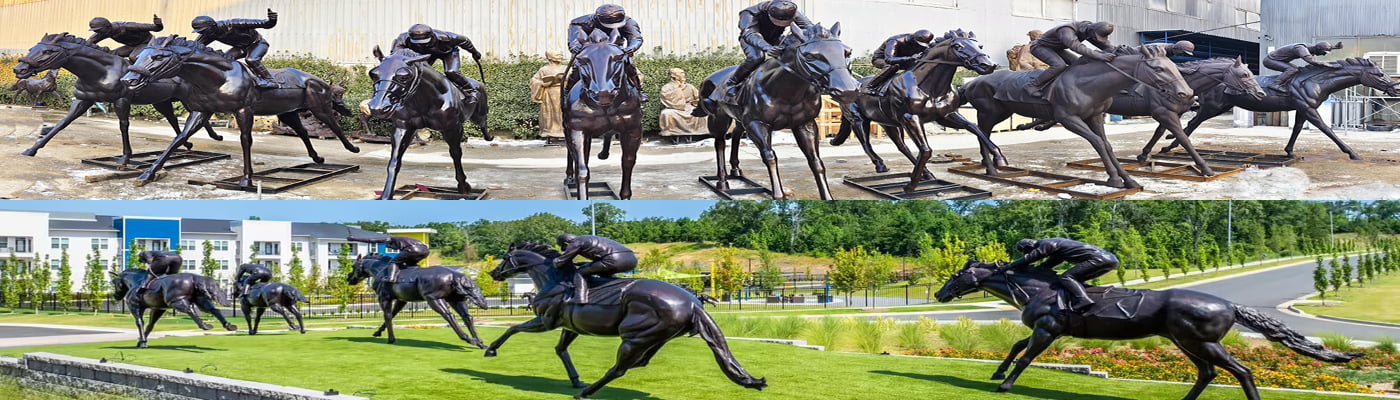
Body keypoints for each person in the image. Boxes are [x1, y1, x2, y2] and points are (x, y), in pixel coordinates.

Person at [997, 238, 1119, 312]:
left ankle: (1083, 300)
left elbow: (1030, 258)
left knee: (1066, 277)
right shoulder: (1058, 247)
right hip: (1110, 260)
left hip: (1100, 259)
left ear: (1029, 246)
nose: (1030, 253)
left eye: (1027, 251)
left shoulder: (1046, 244)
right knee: (1077, 280)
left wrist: (1007, 267)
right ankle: (1085, 296)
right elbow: (1046, 266)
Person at [725, 0, 813, 99]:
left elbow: (809, 28)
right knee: (757, 58)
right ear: (769, 15)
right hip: (751, 38)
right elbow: (750, 34)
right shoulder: (749, 13)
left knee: (792, 52)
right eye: (779, 22)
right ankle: (732, 82)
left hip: (775, 38)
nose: (784, 25)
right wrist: (767, 48)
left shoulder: (791, 10)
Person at [566, 4, 645, 100]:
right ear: (597, 18)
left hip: (614, 51)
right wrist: (575, 47)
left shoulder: (628, 22)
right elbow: (574, 41)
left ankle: (639, 90)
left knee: (629, 65)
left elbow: (636, 38)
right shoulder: (579, 23)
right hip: (590, 52)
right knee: (577, 67)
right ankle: (568, 93)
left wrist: (630, 48)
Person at [1025, 21, 1117, 97]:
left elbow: (1102, 45)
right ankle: (1032, 85)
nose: (1095, 38)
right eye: (1096, 36)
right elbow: (1077, 47)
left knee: (1078, 62)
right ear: (1091, 30)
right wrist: (1099, 56)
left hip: (1055, 48)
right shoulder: (1066, 30)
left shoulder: (1088, 29)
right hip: (1039, 47)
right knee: (1059, 65)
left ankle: (1064, 85)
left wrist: (1116, 51)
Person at [192, 9, 279, 88]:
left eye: (203, 31)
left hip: (257, 43)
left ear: (213, 26)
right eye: (200, 32)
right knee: (222, 60)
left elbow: (266, 24)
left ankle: (270, 80)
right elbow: (195, 47)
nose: (203, 33)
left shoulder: (234, 23)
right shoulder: (209, 34)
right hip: (240, 48)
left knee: (251, 60)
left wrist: (272, 19)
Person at [391, 24, 484, 94]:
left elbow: (465, 41)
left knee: (451, 72)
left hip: (448, 53)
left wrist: (474, 52)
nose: (422, 44)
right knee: (419, 72)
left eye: (424, 42)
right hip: (425, 54)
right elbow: (396, 54)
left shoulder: (447, 37)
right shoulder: (403, 38)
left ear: (431, 36)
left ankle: (470, 90)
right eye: (418, 42)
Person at [553, 233, 637, 304]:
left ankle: (579, 298)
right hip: (631, 259)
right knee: (603, 272)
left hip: (614, 260)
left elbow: (560, 262)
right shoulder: (588, 238)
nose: (565, 249)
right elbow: (603, 254)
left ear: (566, 243)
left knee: (580, 272)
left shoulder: (575, 242)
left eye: (564, 247)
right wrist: (586, 264)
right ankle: (612, 289)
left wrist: (553, 262)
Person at [861, 29, 936, 96]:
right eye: (918, 44)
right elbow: (889, 59)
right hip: (882, 59)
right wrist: (910, 58)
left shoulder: (922, 43)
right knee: (893, 66)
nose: (920, 46)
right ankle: (869, 86)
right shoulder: (895, 40)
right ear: (913, 39)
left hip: (905, 60)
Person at [348, 234, 428, 284]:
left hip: (413, 249)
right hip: (425, 250)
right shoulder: (406, 240)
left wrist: (354, 239)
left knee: (393, 262)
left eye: (391, 247)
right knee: (410, 265)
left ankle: (391, 278)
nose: (393, 249)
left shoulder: (390, 239)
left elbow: (372, 240)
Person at [1264, 42, 1343, 92]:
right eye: (1324, 52)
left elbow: (1320, 52)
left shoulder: (1313, 49)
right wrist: (1330, 65)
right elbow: (1312, 62)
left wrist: (1335, 47)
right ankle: (1275, 84)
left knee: (1297, 70)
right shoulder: (1300, 48)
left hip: (1280, 61)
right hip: (1270, 60)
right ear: (1318, 49)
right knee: (1292, 69)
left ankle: (1286, 83)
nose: (1324, 54)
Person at [87, 15, 163, 61]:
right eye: (96, 31)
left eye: (99, 30)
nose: (98, 32)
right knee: (110, 54)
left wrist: (158, 24)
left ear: (107, 26)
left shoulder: (128, 26)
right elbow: (89, 42)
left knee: (133, 57)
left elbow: (156, 28)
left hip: (147, 43)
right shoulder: (105, 31)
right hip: (131, 46)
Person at [530, 50, 568, 137]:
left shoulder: (566, 68)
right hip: (549, 93)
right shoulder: (543, 69)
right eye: (557, 55)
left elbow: (574, 78)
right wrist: (542, 84)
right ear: (550, 57)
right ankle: (550, 131)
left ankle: (564, 130)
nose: (560, 57)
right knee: (549, 112)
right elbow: (534, 81)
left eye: (560, 55)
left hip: (564, 92)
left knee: (563, 111)